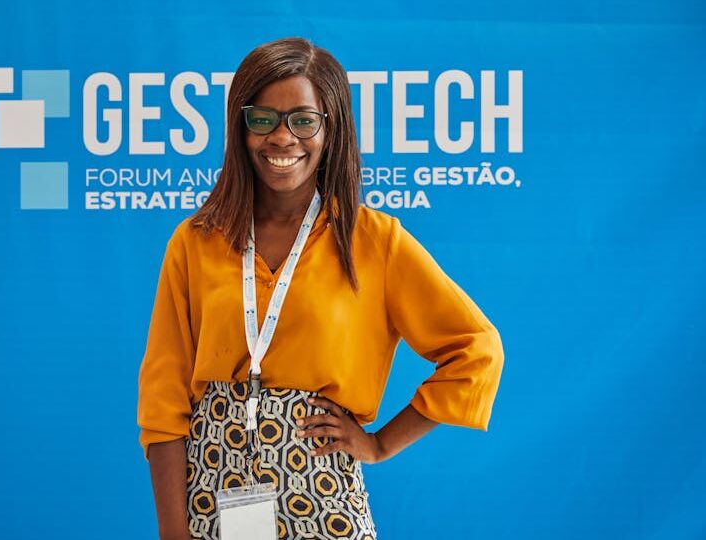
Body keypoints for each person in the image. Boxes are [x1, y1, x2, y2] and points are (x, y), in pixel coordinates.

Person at [137, 37, 504, 540]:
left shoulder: (373, 241)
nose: (282, 138)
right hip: (211, 499)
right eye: (262, 118)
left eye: (303, 120)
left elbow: (476, 350)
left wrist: (378, 445)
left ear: (332, 130)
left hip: (323, 501)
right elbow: (163, 405)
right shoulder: (196, 241)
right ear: (240, 128)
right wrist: (173, 535)